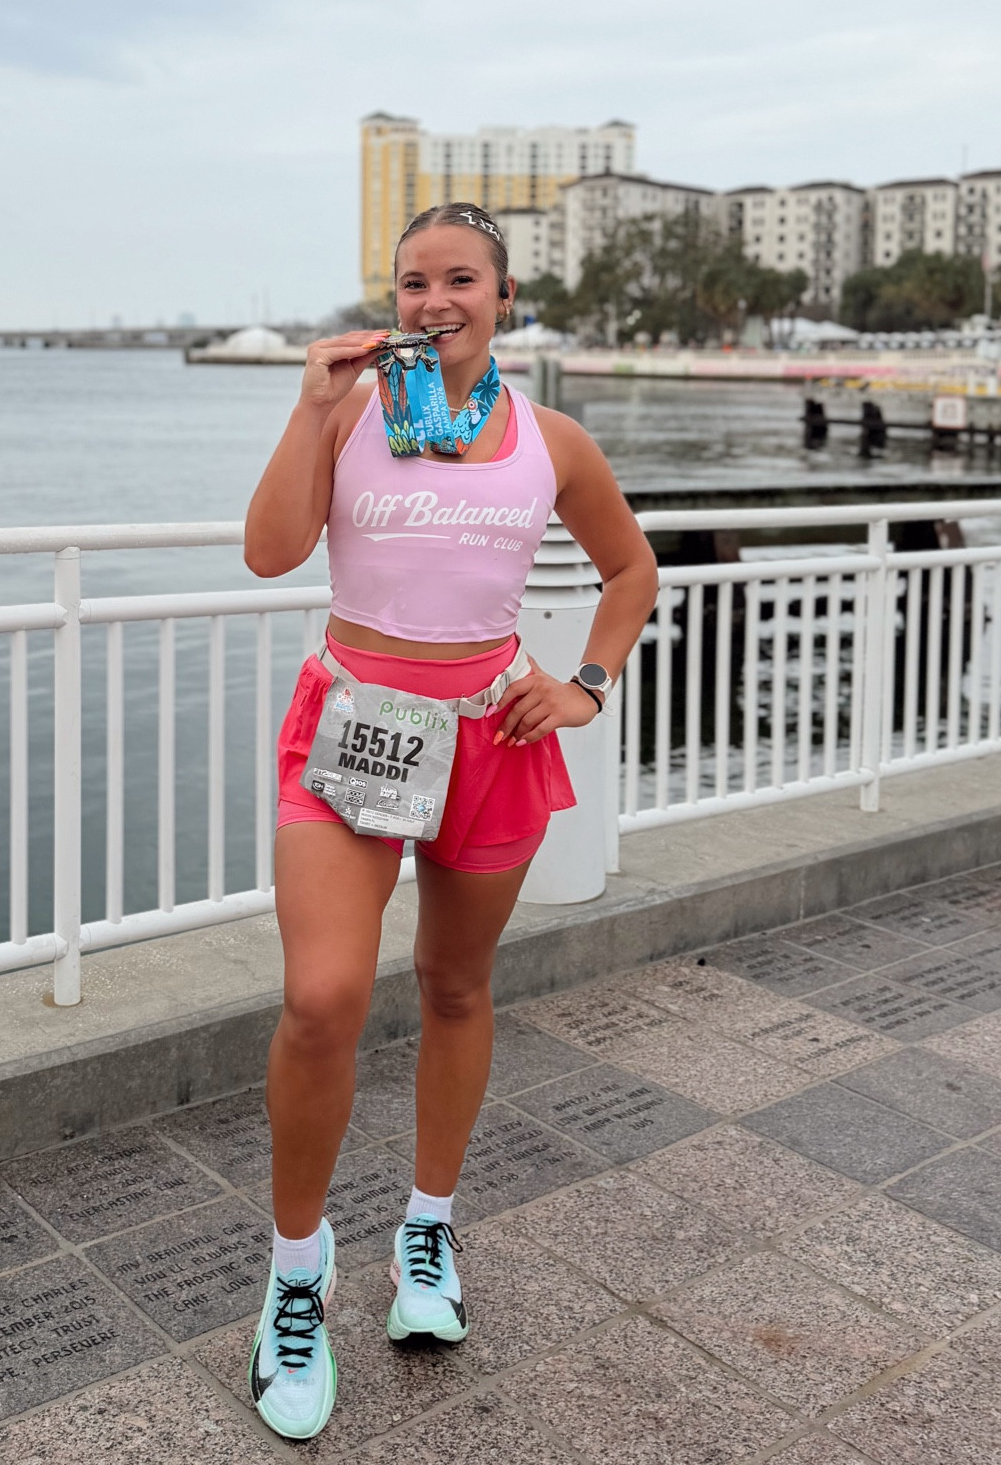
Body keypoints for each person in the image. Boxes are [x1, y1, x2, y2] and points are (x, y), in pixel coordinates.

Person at [241, 202, 659, 1441]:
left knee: (456, 987)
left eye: (459, 278)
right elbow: (271, 554)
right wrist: (310, 407)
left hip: (492, 727)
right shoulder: (355, 412)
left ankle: (427, 1233)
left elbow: (630, 570)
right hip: (355, 724)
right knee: (324, 998)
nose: (435, 299)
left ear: (504, 293)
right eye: (414, 279)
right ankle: (296, 1273)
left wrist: (583, 681)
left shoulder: (553, 438)